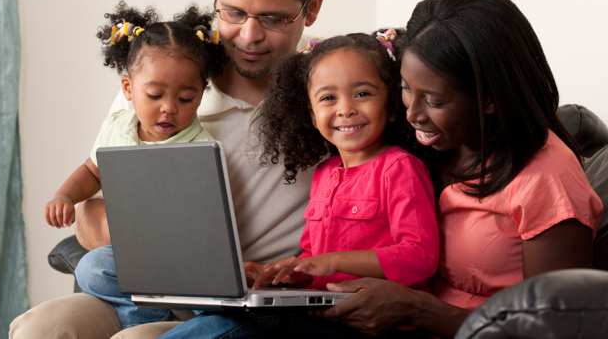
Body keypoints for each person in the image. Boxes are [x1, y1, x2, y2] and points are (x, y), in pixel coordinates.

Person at [9, 0, 323, 339]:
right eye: (233, 12)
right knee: (40, 328)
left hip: (250, 307)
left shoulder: (330, 97)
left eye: (272, 18)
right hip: (142, 292)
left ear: (312, 8)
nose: (249, 35)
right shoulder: (162, 80)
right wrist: (161, 234)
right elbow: (86, 217)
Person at [312, 0, 604, 338]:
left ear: (490, 98)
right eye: (405, 88)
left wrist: (417, 310)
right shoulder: (429, 147)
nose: (412, 113)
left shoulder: (549, 178)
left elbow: (552, 330)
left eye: (433, 100)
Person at [154, 32, 440, 338]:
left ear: (393, 104)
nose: (345, 109)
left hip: (376, 324)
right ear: (313, 116)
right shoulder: (325, 173)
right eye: (328, 98)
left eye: (362, 94)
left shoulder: (399, 168)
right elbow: (311, 259)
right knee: (221, 318)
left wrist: (331, 263)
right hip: (321, 316)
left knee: (231, 327)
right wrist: (279, 273)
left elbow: (420, 257)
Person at [43, 2, 220, 230]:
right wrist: (64, 196)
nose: (169, 108)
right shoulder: (117, 127)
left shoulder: (202, 150)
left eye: (185, 98)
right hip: (119, 242)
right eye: (155, 95)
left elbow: (207, 215)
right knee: (92, 264)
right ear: (128, 88)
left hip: (171, 245)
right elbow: (92, 171)